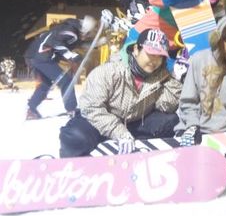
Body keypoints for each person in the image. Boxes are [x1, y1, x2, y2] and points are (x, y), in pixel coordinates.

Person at [58, 28, 182, 157]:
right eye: (151, 54)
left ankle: (142, 157)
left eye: (160, 56)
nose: (154, 60)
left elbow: (166, 106)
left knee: (170, 122)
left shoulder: (160, 76)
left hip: (132, 123)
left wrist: (175, 79)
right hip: (99, 121)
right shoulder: (109, 71)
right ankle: (74, 166)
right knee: (76, 136)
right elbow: (91, 108)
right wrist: (119, 132)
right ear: (136, 49)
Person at [174, 15, 226, 143]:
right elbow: (188, 101)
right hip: (195, 126)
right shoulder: (199, 59)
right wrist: (192, 125)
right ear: (219, 38)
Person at [23, 15, 98, 119]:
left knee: (45, 84)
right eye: (88, 33)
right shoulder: (70, 31)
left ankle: (31, 110)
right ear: (84, 30)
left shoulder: (71, 30)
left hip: (35, 56)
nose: (87, 36)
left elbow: (78, 44)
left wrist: (99, 42)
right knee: (66, 81)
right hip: (42, 56)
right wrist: (72, 56)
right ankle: (71, 109)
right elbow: (55, 43)